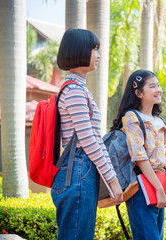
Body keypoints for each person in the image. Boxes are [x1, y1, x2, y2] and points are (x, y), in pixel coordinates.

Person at [51, 28, 123, 240]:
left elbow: (93, 139)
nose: (98, 55)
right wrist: (113, 180)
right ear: (80, 50)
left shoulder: (78, 88)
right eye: (94, 49)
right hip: (79, 167)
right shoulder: (74, 91)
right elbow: (89, 140)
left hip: (80, 168)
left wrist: (110, 176)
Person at [111, 69, 166, 240]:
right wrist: (159, 188)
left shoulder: (159, 121)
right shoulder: (132, 117)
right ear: (139, 93)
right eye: (152, 86)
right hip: (141, 188)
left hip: (160, 184)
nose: (159, 89)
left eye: (158, 85)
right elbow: (139, 157)